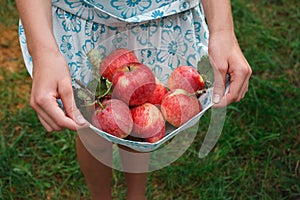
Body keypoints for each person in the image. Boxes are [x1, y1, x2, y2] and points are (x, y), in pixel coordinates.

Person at [16, 0, 252, 199]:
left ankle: (136, 196)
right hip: (87, 15)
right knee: (92, 129)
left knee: (143, 123)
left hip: (159, 17)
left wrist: (223, 30)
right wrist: (43, 52)